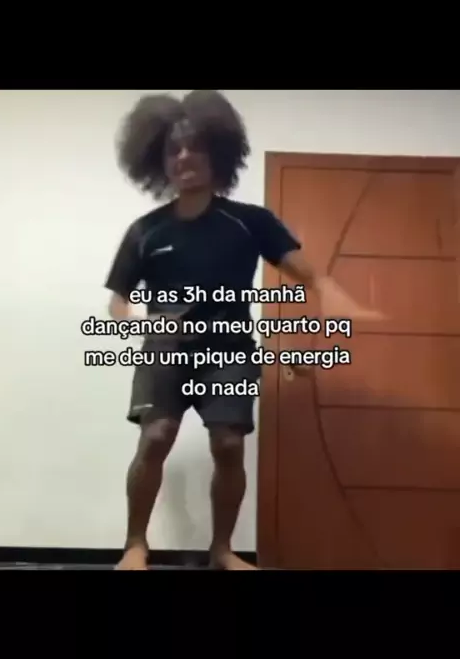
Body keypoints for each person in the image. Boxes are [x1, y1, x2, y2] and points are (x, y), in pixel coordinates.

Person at [105, 90, 382, 570]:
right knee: (156, 437)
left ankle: (222, 550)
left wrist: (331, 302)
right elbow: (117, 304)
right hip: (165, 351)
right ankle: (135, 544)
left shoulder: (249, 221)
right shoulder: (144, 231)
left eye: (195, 146)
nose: (184, 156)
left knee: (229, 445)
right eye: (173, 149)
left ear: (219, 153)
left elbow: (310, 276)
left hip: (229, 353)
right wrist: (147, 323)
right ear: (158, 161)